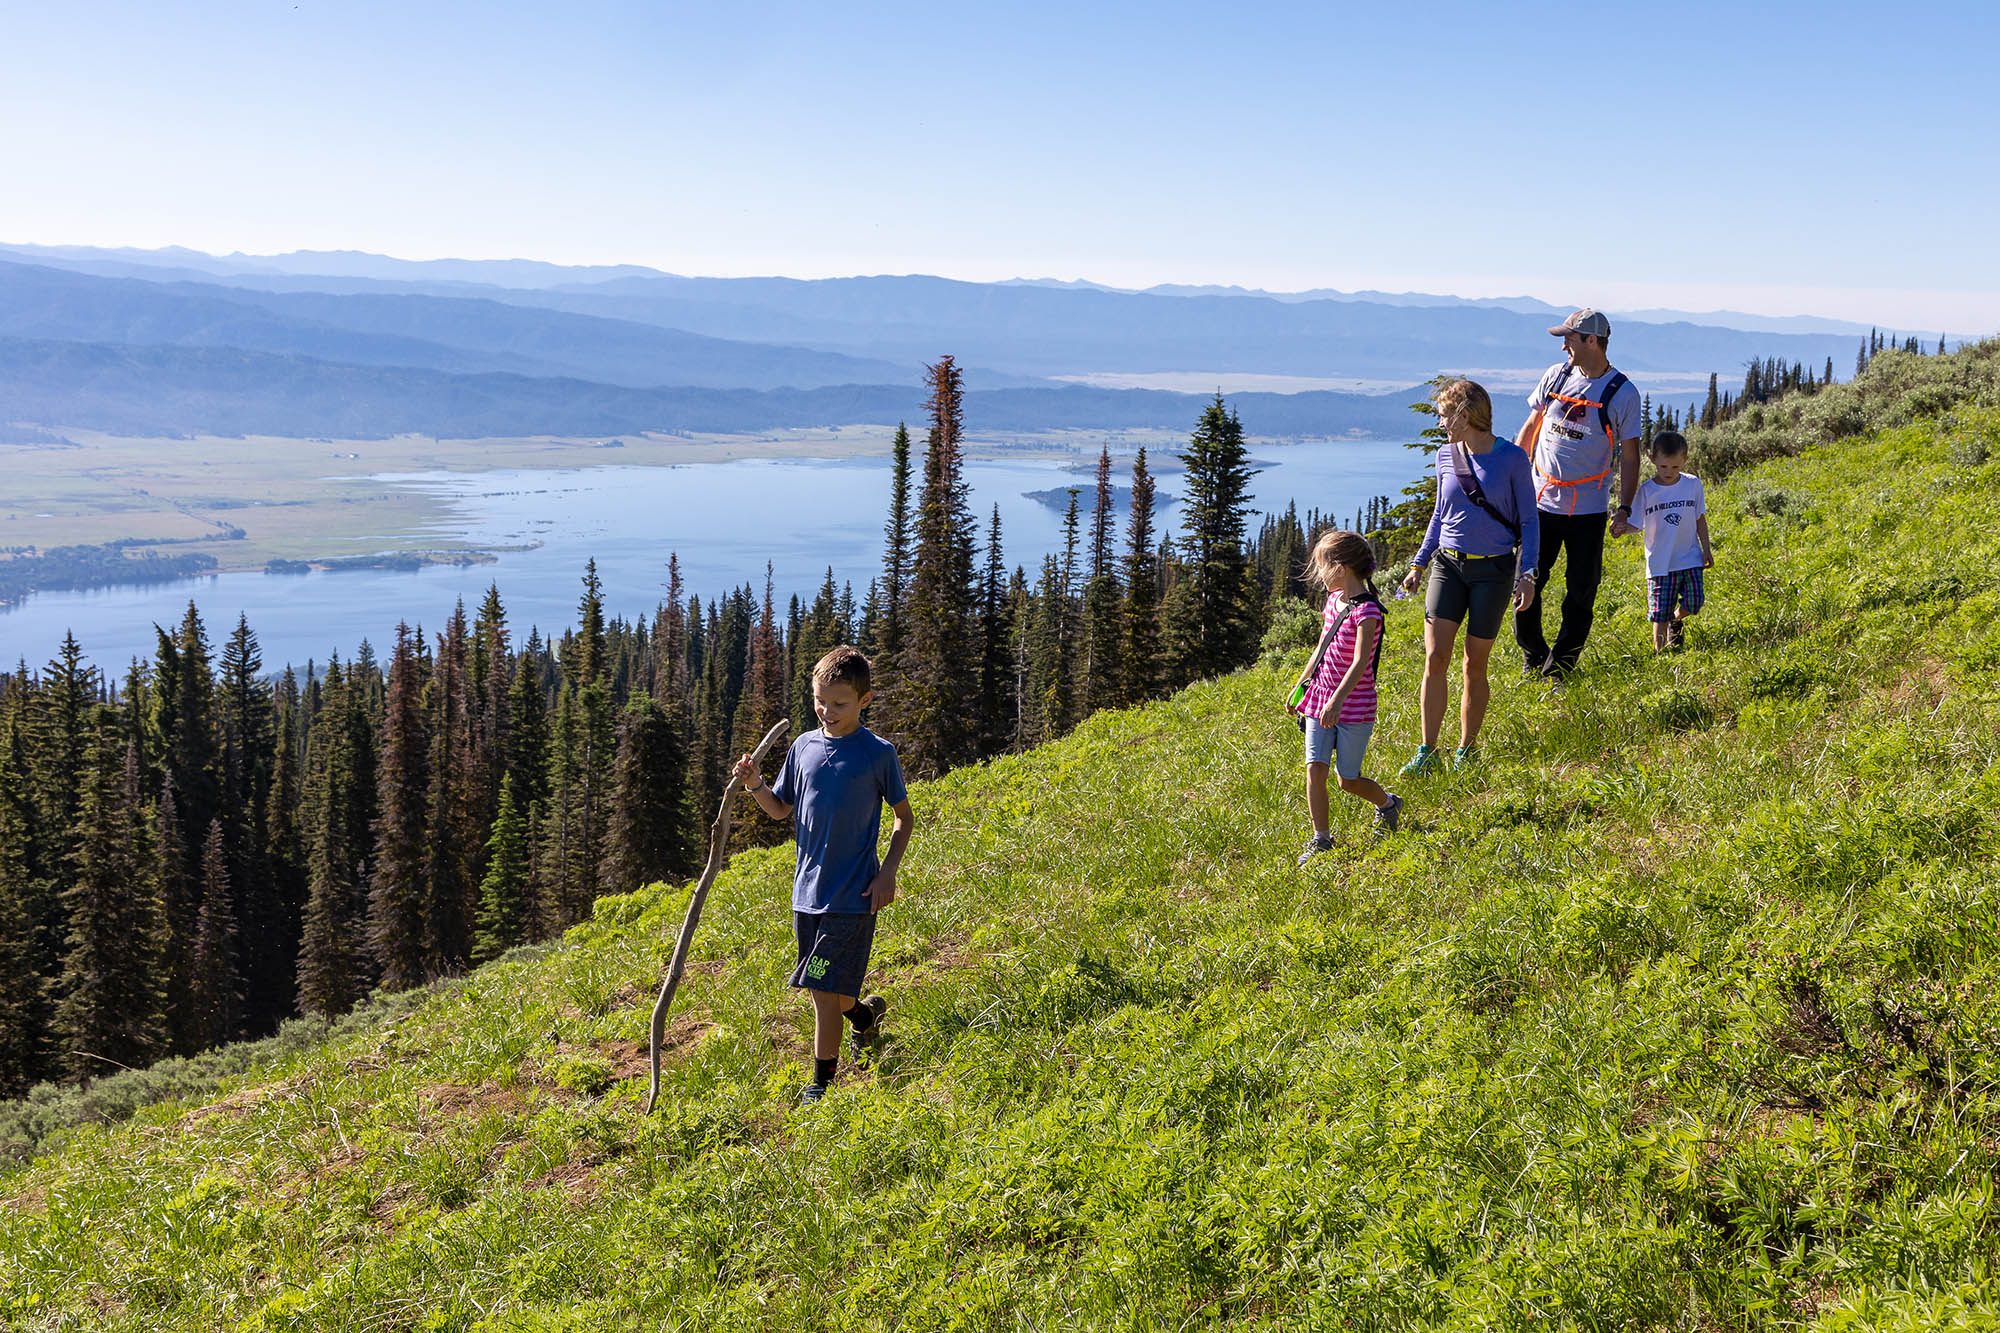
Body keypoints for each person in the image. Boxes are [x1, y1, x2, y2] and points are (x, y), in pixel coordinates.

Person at [735, 644, 915, 1105]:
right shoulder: (803, 747)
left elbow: (903, 817)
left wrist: (888, 873)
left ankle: (822, 1084)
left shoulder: (877, 754)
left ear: (865, 701)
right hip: (806, 895)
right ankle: (864, 1016)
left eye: (839, 703)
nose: (827, 711)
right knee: (831, 990)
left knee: (819, 987)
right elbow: (779, 810)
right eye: (820, 701)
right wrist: (755, 784)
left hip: (854, 897)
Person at [1398, 378, 1539, 774]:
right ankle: (1427, 752)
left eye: (1445, 414)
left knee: (1473, 664)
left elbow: (1529, 520)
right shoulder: (1446, 456)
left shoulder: (1511, 458)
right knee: (1435, 657)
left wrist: (1526, 574)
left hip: (1493, 570)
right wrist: (1418, 564)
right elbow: (1440, 516)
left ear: (1464, 414)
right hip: (1448, 565)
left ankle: (1467, 750)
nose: (1442, 422)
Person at [1513, 308, 1644, 680]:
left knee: (1581, 592)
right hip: (1540, 503)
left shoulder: (1622, 392)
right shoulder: (1556, 376)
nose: (1564, 345)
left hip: (1588, 510)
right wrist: (1512, 481)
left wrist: (1624, 507)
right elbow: (1530, 426)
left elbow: (1630, 455)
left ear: (1592, 341)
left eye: (1569, 338)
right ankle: (1533, 653)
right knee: (1526, 580)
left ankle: (1561, 668)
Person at [1291, 530, 1400, 860]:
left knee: (1347, 780)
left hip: (1353, 706)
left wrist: (1336, 700)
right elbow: (1322, 647)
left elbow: (1360, 663)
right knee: (1315, 769)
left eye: (1322, 566)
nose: (1319, 574)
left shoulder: (1367, 612)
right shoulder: (1333, 602)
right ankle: (1321, 838)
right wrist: (1301, 685)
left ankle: (1388, 804)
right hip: (1320, 700)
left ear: (1341, 568)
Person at [1618, 429, 1713, 651]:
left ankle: (1676, 620)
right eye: (1663, 467)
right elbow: (1637, 524)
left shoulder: (1692, 485)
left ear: (1685, 460)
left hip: (1689, 557)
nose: (1669, 472)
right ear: (1652, 459)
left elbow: (1700, 519)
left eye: (1675, 467)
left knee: (1694, 602)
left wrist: (1706, 549)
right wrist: (1622, 529)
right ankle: (1660, 653)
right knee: (1659, 613)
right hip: (1660, 563)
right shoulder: (1647, 491)